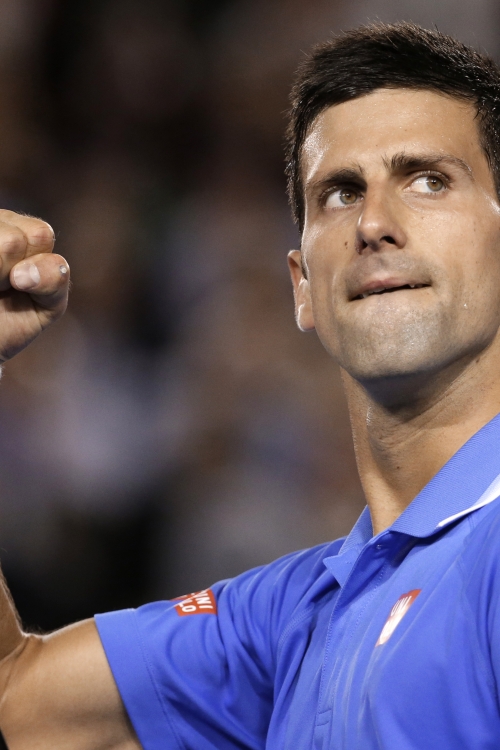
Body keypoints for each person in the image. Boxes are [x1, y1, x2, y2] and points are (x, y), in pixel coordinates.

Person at [2, 19, 500, 749]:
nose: (374, 223)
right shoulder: (288, 617)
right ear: (302, 286)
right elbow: (19, 701)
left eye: (429, 181)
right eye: (340, 193)